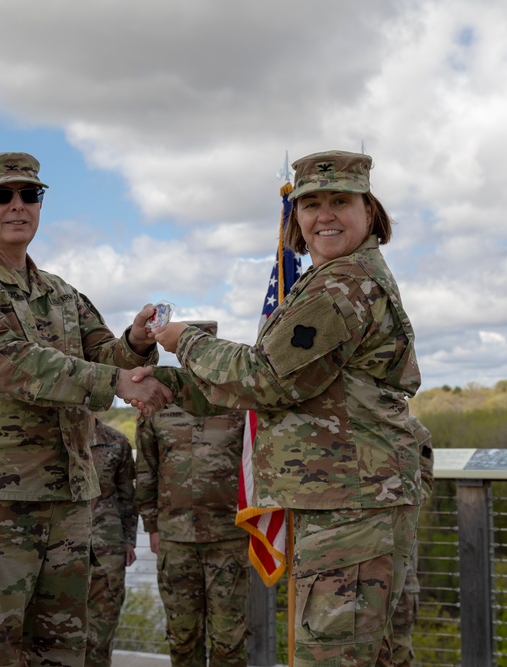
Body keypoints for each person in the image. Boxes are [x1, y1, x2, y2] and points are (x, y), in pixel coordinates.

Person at [152, 150, 422, 667]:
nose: (325, 216)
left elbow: (266, 378)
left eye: (340, 201)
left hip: (350, 509)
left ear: (369, 210)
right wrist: (167, 384)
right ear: (295, 217)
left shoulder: (343, 286)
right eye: (311, 204)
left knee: (332, 655)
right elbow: (284, 388)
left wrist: (184, 341)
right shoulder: (331, 279)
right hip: (345, 502)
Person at [0, 151, 172, 667]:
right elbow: (2, 362)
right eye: (1, 196)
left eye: (31, 194)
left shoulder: (61, 294)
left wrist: (135, 346)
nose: (18, 205)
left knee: (61, 653)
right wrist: (116, 378)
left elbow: (104, 359)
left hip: (68, 504)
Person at [135, 322, 249, 667]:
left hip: (229, 537)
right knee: (183, 638)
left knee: (230, 640)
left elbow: (256, 466)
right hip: (175, 538)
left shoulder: (239, 405)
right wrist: (151, 525)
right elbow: (146, 468)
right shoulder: (159, 406)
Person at [85, 418, 138, 667]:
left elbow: (128, 497)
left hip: (107, 549)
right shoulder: (49, 436)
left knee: (101, 630)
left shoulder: (116, 442)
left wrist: (129, 540)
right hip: (57, 550)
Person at [388, 415, 434, 667]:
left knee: (398, 647)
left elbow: (425, 483)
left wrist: (390, 500)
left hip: (397, 552)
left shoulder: (412, 429)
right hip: (350, 552)